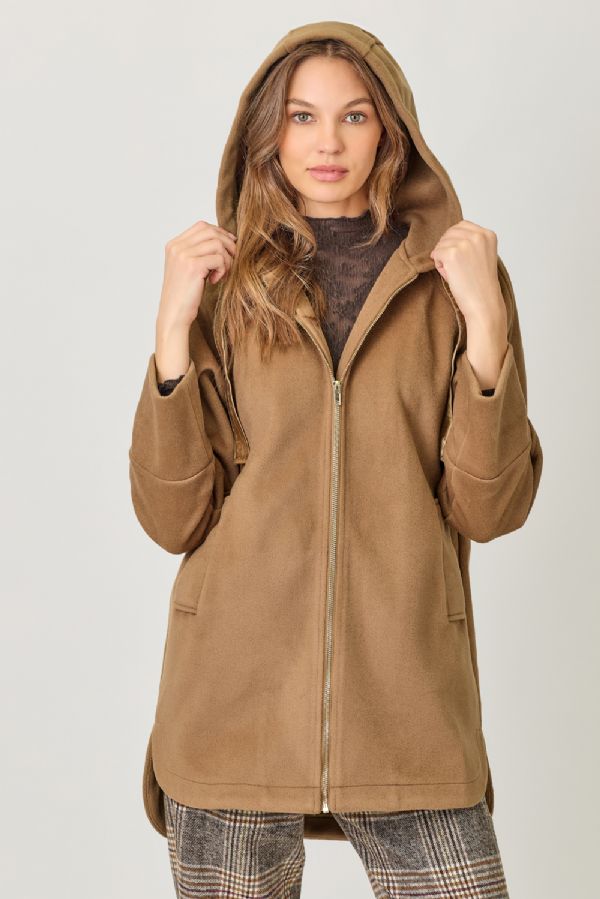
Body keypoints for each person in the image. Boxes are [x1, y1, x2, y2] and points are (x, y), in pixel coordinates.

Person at [128, 20, 543, 898]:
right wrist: (170, 332)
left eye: (354, 116)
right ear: (270, 134)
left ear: (390, 130)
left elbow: (489, 508)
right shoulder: (225, 286)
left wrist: (487, 328)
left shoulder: (454, 283)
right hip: (229, 707)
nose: (327, 142)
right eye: (302, 116)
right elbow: (174, 518)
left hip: (408, 703)